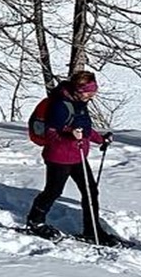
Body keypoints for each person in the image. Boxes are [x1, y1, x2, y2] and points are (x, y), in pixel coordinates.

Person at [26, 69, 118, 243]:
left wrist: (101, 139)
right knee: (53, 191)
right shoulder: (60, 105)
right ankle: (35, 222)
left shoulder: (80, 103)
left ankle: (92, 230)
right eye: (90, 92)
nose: (93, 95)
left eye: (94, 90)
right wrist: (70, 134)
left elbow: (85, 129)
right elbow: (51, 134)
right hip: (59, 158)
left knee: (90, 191)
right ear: (79, 90)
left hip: (78, 156)